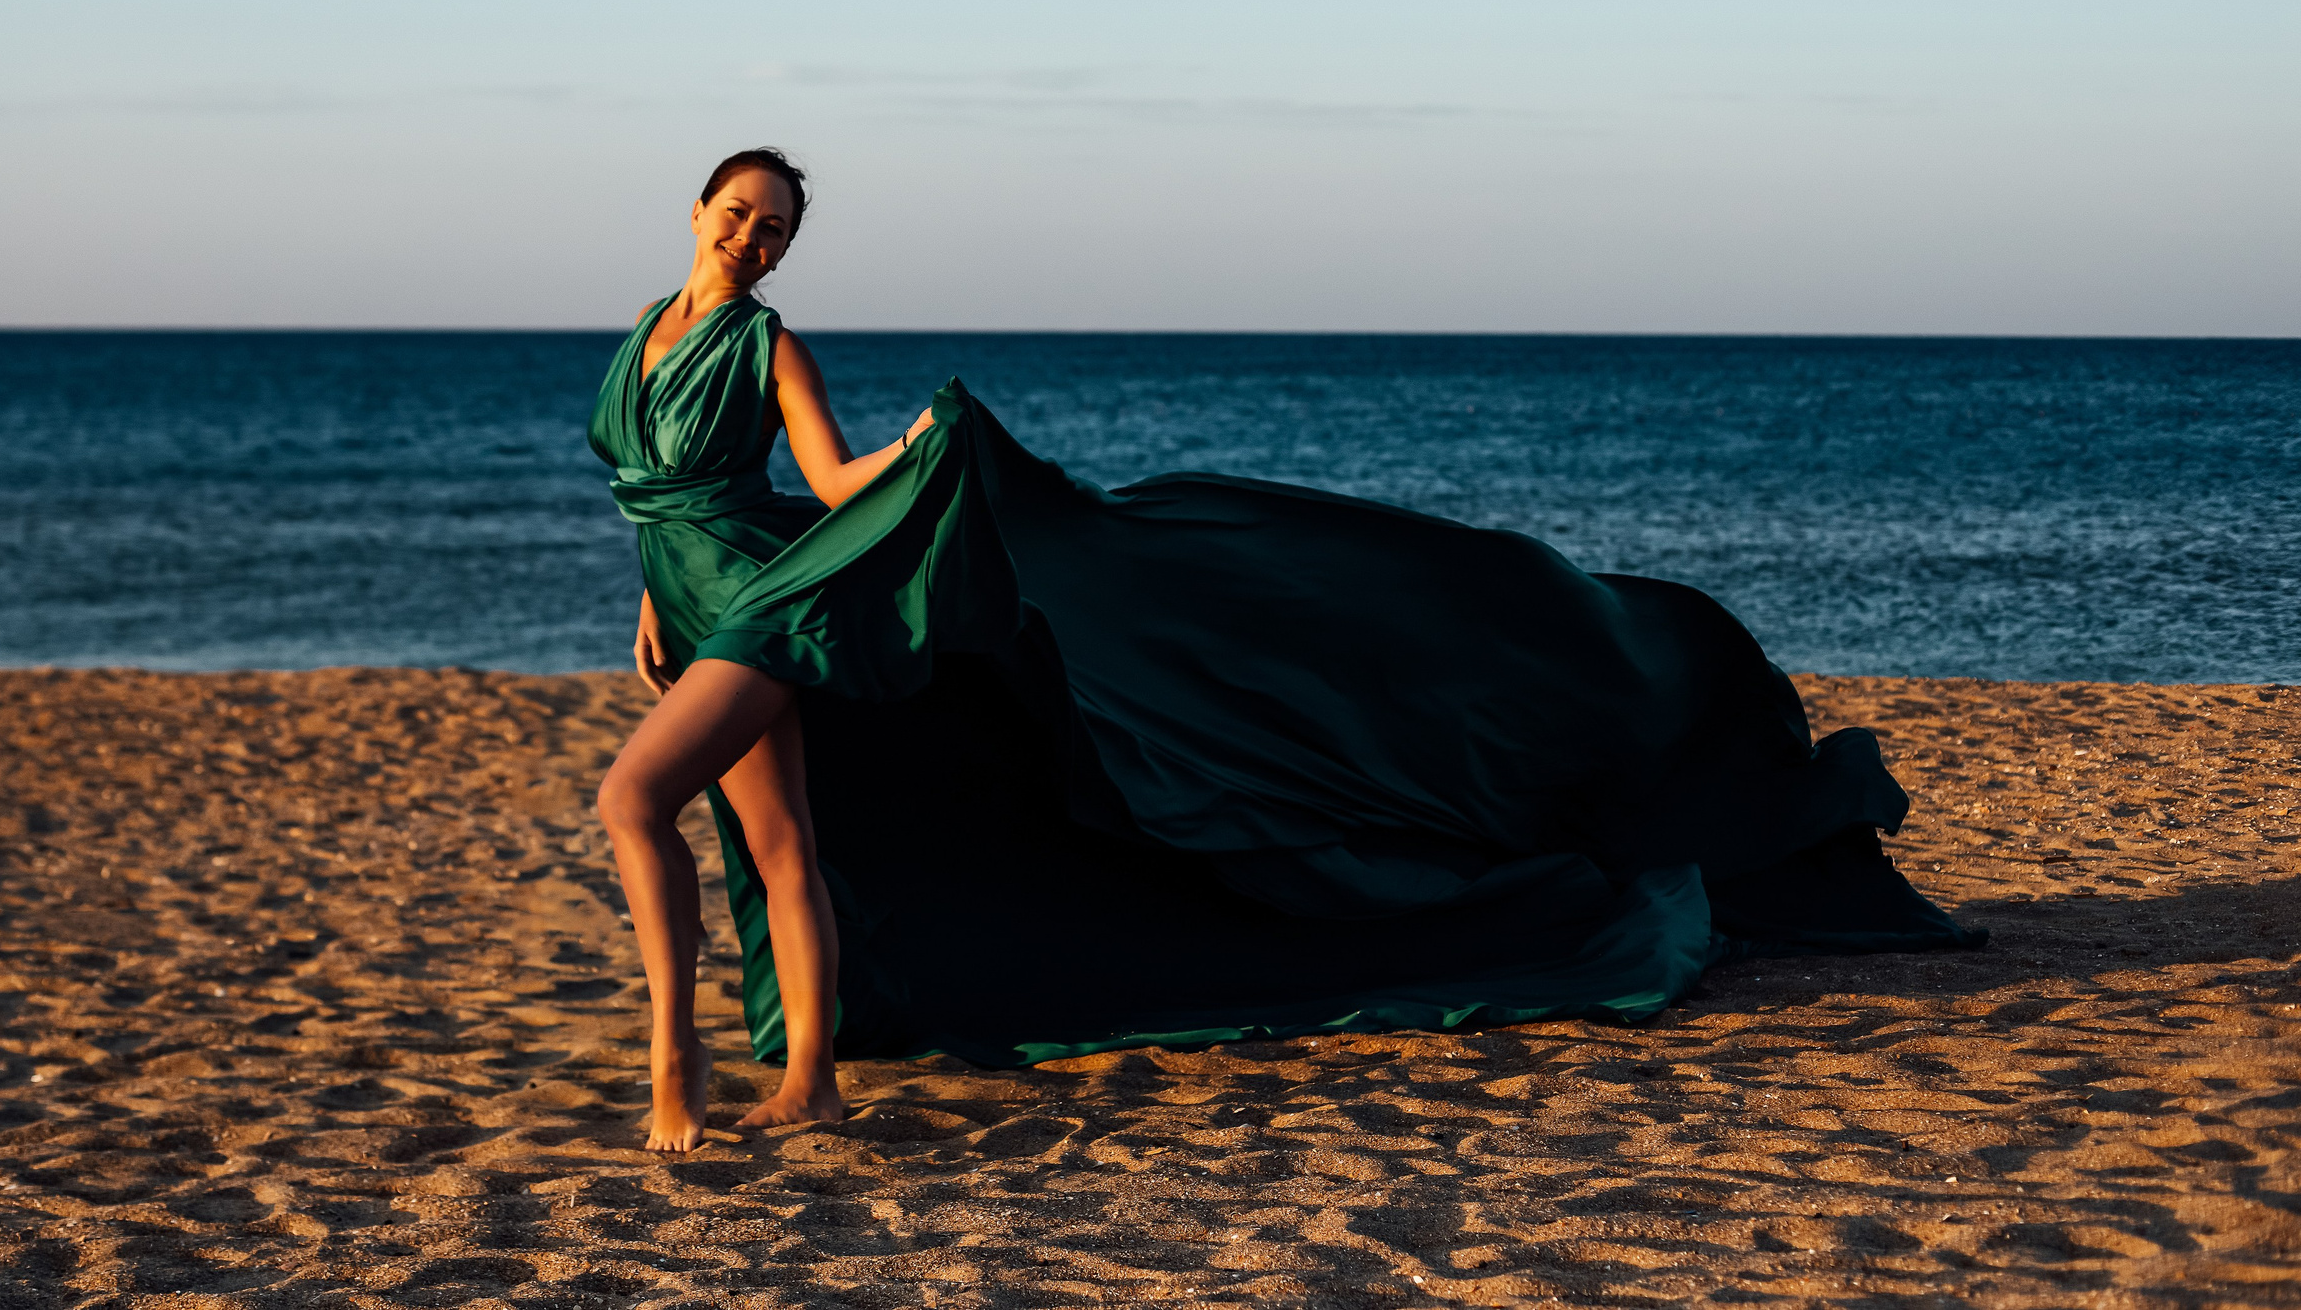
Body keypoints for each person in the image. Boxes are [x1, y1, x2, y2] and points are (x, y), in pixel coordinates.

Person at [590, 148, 1980, 1153]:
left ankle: (675, 1067)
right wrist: (648, 604)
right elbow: (649, 496)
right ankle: (817, 1081)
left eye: (774, 230)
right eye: (737, 218)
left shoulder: (773, 346)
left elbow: (829, 488)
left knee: (632, 802)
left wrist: (924, 450)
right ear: (695, 212)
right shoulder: (645, 337)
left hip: (768, 600)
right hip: (693, 598)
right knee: (782, 852)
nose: (753, 241)